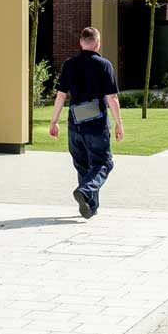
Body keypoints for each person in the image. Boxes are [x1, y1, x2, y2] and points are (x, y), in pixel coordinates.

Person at [50, 25, 124, 219]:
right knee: (103, 163)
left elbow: (60, 95)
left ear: (81, 43)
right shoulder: (104, 65)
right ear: (98, 43)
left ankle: (90, 207)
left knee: (83, 166)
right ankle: (85, 191)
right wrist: (119, 124)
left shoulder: (69, 64)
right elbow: (112, 98)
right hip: (96, 124)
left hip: (75, 122)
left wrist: (54, 121)